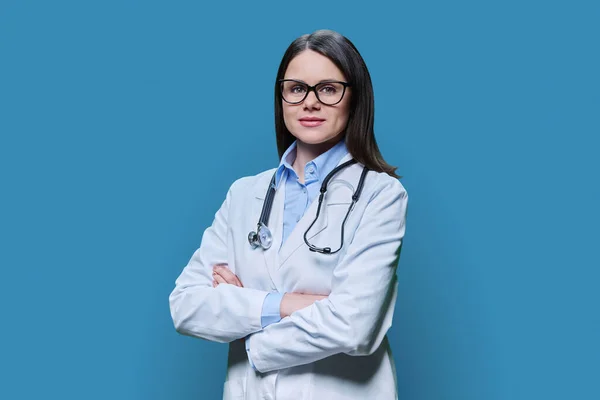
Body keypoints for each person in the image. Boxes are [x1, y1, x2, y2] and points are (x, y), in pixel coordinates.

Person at [169, 29, 408, 400]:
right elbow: (186, 306)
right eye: (296, 88)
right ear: (281, 97)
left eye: (328, 89)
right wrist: (293, 304)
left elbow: (354, 326)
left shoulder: (380, 195)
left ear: (354, 98)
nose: (309, 102)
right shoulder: (244, 194)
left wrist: (250, 328)